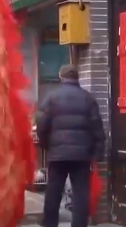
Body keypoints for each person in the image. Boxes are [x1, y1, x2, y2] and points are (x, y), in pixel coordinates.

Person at [36, 64, 106, 227]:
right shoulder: (88, 98)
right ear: (77, 78)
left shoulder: (51, 97)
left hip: (57, 154)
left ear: (61, 77)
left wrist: (47, 145)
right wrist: (97, 154)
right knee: (81, 193)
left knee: (53, 192)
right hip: (82, 156)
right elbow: (97, 128)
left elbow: (41, 125)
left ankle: (49, 223)